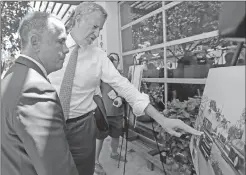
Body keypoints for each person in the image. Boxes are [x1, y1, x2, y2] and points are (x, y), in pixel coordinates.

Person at [48, 2, 202, 175]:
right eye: (95, 27)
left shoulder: (98, 56)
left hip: (82, 128)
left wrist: (162, 119)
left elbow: (125, 87)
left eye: (100, 29)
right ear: (78, 19)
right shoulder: (49, 47)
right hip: (48, 125)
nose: (97, 34)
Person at [1, 12, 79, 175]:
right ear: (35, 42)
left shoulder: (12, 76)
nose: (66, 50)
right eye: (61, 41)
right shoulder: (35, 90)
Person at [94, 53, 126, 175]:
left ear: (118, 62)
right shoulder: (101, 76)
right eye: (110, 59)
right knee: (100, 137)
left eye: (114, 59)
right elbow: (95, 93)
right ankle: (95, 162)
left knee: (116, 135)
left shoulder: (121, 77)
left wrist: (121, 98)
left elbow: (125, 92)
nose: (112, 61)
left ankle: (114, 153)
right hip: (104, 113)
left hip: (118, 113)